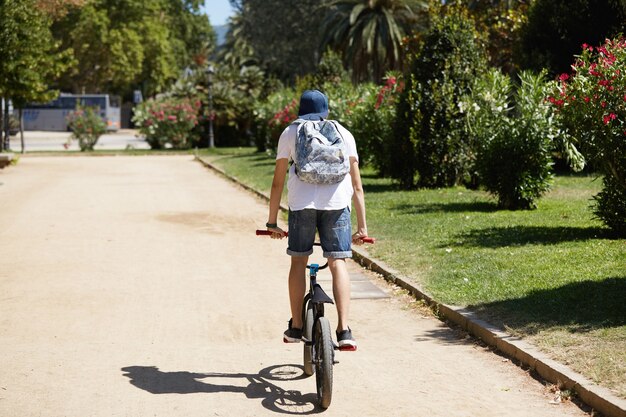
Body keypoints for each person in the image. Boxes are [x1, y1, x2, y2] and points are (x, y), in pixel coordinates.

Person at [265, 89, 368, 351]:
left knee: (299, 260)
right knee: (337, 262)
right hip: (337, 205)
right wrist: (362, 228)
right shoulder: (344, 133)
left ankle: (297, 326)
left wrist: (272, 222)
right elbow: (357, 186)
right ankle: (344, 330)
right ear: (326, 110)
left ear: (300, 110)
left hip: (302, 205)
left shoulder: (291, 132)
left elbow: (277, 183)